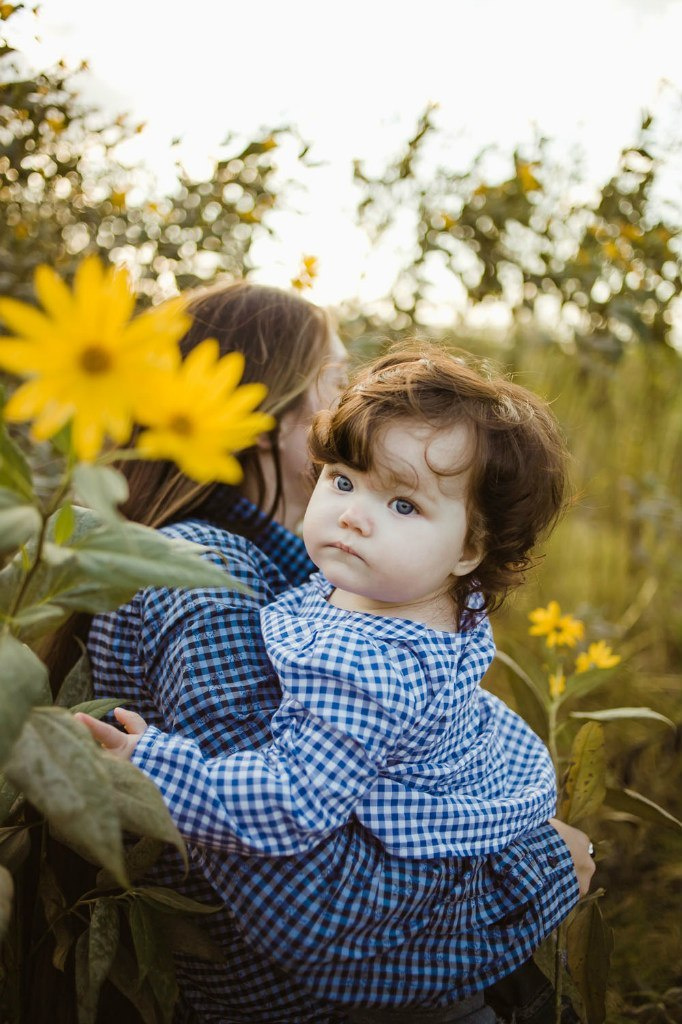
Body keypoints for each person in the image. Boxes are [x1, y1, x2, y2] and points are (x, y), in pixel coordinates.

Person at [71, 283, 594, 1024]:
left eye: (403, 502)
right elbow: (317, 911)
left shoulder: (352, 585)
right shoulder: (206, 580)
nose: (354, 402)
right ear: (262, 419)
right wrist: (541, 873)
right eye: (334, 379)